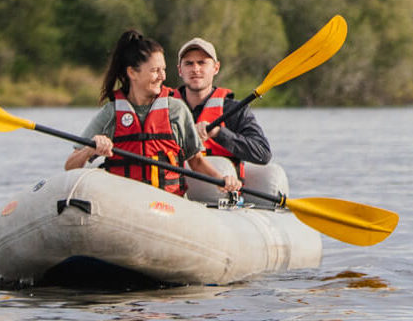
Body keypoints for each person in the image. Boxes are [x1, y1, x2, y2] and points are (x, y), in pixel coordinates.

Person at [66, 29, 241, 197]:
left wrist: (222, 180)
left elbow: (195, 161)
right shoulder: (111, 113)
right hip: (123, 204)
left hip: (168, 204)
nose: (162, 76)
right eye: (155, 70)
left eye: (163, 69)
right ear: (132, 73)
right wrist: (89, 149)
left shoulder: (176, 110)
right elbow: (70, 167)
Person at [174, 37, 272, 168]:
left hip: (223, 186)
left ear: (216, 68)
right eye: (189, 63)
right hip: (176, 187)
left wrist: (218, 133)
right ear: (180, 70)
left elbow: (263, 154)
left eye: (202, 63)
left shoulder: (235, 109)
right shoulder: (167, 107)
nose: (195, 69)